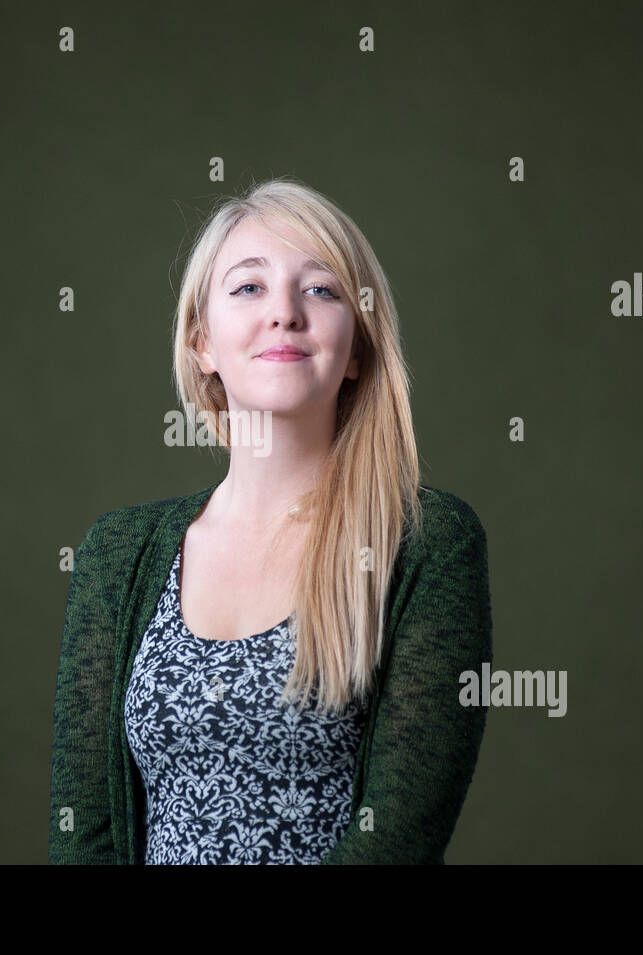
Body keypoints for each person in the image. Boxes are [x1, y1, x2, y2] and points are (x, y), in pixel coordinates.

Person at [48, 177, 493, 864]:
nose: (284, 312)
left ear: (358, 350)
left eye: (321, 289)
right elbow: (84, 837)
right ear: (202, 341)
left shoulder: (424, 543)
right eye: (249, 287)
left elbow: (400, 837)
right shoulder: (118, 553)